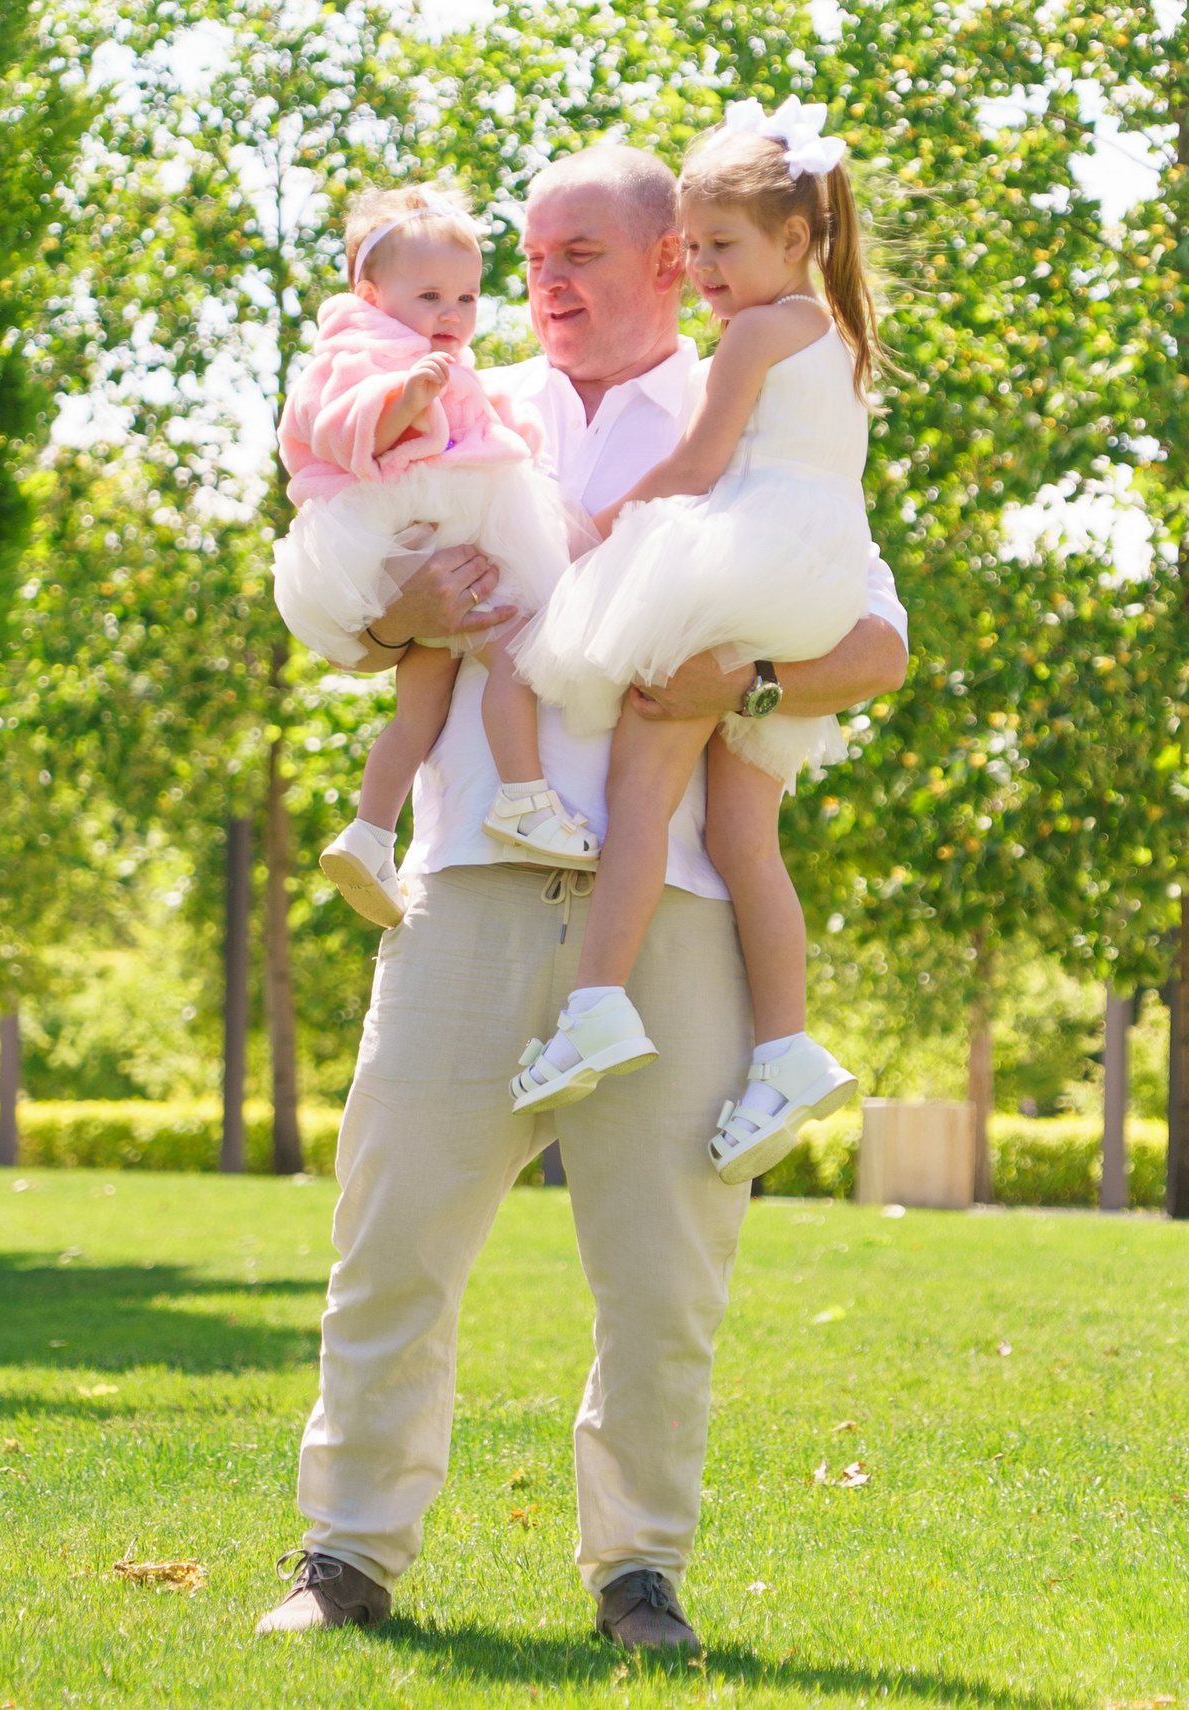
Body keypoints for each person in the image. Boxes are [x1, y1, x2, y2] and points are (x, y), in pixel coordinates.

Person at [254, 140, 910, 1650]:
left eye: (580, 257)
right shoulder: (466, 397)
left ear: (672, 262)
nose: (542, 286)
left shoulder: (759, 397)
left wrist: (739, 676)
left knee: (665, 1281)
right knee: (392, 1244)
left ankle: (639, 1574)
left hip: (674, 917)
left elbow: (874, 645)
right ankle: (346, 1556)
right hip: (467, 892)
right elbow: (349, 594)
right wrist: (395, 608)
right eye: (531, 260)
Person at [509, 100, 873, 1185]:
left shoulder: (755, 335)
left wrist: (616, 522)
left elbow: (701, 466)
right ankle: (787, 1046)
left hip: (741, 566)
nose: (703, 269)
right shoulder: (839, 336)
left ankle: (596, 1005)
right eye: (695, 248)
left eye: (719, 246)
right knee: (743, 838)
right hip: (818, 580)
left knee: (639, 789)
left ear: (794, 240)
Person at [272, 185, 598, 931]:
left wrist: (504, 427)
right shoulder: (364, 352)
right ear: (370, 292)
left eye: (466, 297)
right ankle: (524, 798)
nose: (450, 315)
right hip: (399, 532)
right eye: (429, 296)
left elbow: (485, 422)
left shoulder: (439, 358)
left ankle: (369, 835)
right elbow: (343, 425)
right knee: (515, 649)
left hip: (417, 539)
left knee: (417, 715)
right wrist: (405, 397)